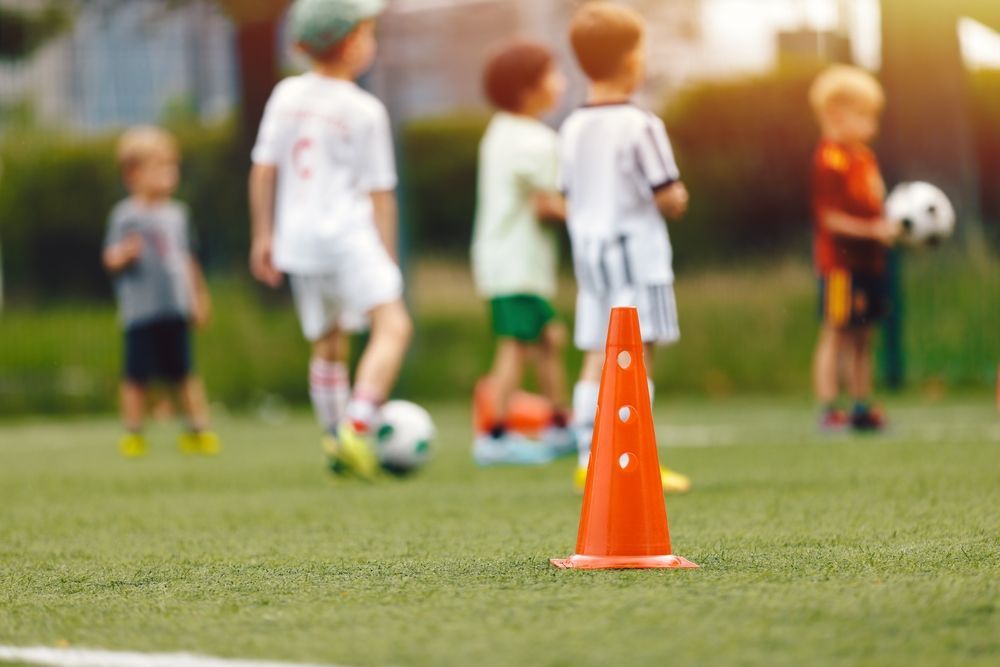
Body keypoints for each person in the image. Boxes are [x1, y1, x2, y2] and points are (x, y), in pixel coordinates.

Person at [248, 0, 412, 480]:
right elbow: (381, 194)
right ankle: (356, 427)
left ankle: (333, 438)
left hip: (296, 241)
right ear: (353, 43)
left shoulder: (285, 95)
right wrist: (387, 253)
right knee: (394, 326)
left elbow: (263, 169)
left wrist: (263, 235)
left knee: (328, 342)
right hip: (347, 235)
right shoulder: (364, 109)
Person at [560, 2, 692, 493]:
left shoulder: (572, 125)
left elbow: (569, 191)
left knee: (598, 346)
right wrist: (677, 200)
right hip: (637, 253)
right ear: (632, 59)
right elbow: (666, 193)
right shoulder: (641, 125)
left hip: (590, 252)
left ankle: (587, 454)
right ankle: (633, 457)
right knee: (640, 351)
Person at [470, 40, 574, 466]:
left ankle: (561, 426)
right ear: (529, 90)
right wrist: (591, 215)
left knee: (548, 338)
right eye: (553, 74)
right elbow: (546, 204)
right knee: (515, 346)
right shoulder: (534, 139)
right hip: (518, 266)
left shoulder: (500, 131)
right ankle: (493, 435)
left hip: (506, 262)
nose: (561, 83)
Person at [102, 126, 219, 458]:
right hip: (140, 310)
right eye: (158, 167)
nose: (168, 174)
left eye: (171, 166)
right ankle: (134, 432)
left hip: (175, 307)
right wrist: (122, 255)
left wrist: (199, 297)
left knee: (184, 371)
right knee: (136, 375)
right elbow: (109, 257)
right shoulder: (125, 215)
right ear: (132, 173)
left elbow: (188, 259)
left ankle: (198, 429)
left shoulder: (178, 215)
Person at [809, 64, 897, 432]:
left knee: (864, 335)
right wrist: (874, 230)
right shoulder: (830, 160)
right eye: (863, 117)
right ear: (835, 115)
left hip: (870, 263)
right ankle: (829, 406)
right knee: (837, 331)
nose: (871, 127)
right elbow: (831, 220)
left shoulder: (865, 158)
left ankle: (862, 404)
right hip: (841, 266)